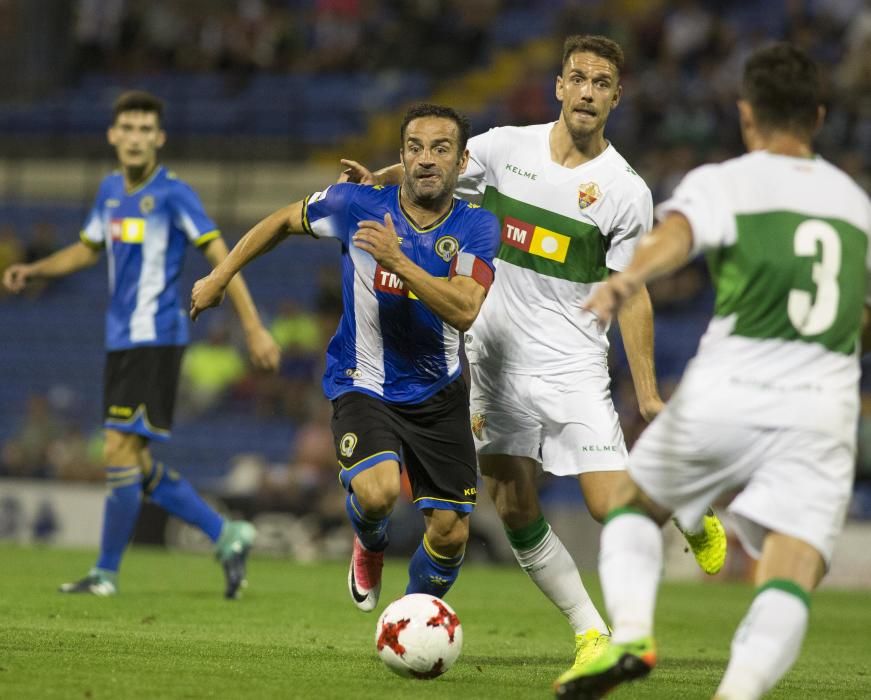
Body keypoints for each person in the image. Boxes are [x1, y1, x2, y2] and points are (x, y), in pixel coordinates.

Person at [340, 34, 727, 666]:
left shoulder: (625, 190)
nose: (587, 92)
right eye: (577, 78)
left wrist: (650, 392)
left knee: (608, 507)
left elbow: (633, 295)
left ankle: (683, 495)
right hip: (492, 366)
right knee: (514, 506)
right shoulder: (502, 148)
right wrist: (378, 179)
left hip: (572, 366)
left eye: (601, 83)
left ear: (616, 96)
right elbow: (430, 171)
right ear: (559, 85)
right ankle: (589, 633)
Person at [554, 43, 871, 699]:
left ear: (745, 113)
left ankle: (633, 633)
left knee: (635, 508)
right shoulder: (854, 206)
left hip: (728, 388)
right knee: (793, 566)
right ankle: (737, 692)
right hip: (822, 404)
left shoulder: (724, 180)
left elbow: (676, 236)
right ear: (815, 115)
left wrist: (628, 277)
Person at [190, 103, 501, 610]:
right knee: (377, 493)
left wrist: (397, 260)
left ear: (462, 162)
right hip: (364, 380)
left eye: (441, 149)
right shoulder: (355, 204)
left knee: (449, 535)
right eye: (415, 148)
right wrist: (219, 276)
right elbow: (282, 221)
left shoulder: (477, 227)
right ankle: (370, 540)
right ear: (401, 154)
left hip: (438, 391)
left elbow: (465, 308)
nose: (426, 159)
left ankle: (406, 618)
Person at [3, 90, 280, 599]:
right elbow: (86, 251)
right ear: (112, 135)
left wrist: (254, 326)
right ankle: (227, 534)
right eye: (125, 128)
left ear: (159, 138)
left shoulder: (174, 194)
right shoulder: (109, 190)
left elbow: (225, 259)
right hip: (120, 340)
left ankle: (105, 574)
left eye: (143, 130)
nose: (134, 138)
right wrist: (34, 269)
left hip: (157, 337)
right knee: (137, 462)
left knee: (117, 449)